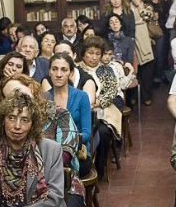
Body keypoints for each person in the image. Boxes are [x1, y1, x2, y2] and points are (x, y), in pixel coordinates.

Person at [0, 74, 85, 207]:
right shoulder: (8, 122)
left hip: (61, 183)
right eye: (10, 98)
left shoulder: (58, 114)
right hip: (15, 187)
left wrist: (32, 171)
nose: (18, 101)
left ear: (31, 88)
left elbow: (66, 152)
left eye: (19, 92)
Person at [78, 36, 124, 177]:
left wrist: (95, 103)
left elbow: (111, 92)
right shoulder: (76, 69)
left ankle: (99, 169)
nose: (94, 57)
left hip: (102, 109)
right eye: (90, 53)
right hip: (80, 109)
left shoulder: (106, 70)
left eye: (98, 54)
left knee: (103, 132)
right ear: (84, 53)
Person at [47, 53, 93, 176]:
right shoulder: (43, 98)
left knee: (58, 171)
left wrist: (67, 141)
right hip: (48, 153)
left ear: (71, 73)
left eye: (64, 70)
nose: (58, 74)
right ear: (49, 71)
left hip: (78, 153)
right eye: (54, 69)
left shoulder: (81, 96)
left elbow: (87, 133)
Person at [129, 0, 157, 105]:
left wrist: (140, 6)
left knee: (147, 70)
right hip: (132, 40)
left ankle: (146, 96)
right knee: (134, 69)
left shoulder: (146, 6)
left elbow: (147, 15)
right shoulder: (126, 7)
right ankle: (133, 96)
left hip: (145, 40)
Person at [46, 40, 97, 105]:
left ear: (74, 55)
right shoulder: (48, 79)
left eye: (66, 53)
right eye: (58, 54)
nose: (62, 57)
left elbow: (87, 104)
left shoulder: (86, 79)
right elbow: (48, 105)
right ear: (53, 56)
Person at [146, 0, 170, 84]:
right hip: (148, 32)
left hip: (161, 32)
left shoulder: (166, 3)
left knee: (160, 55)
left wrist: (160, 17)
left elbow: (169, 19)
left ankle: (158, 76)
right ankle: (150, 78)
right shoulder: (146, 3)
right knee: (150, 55)